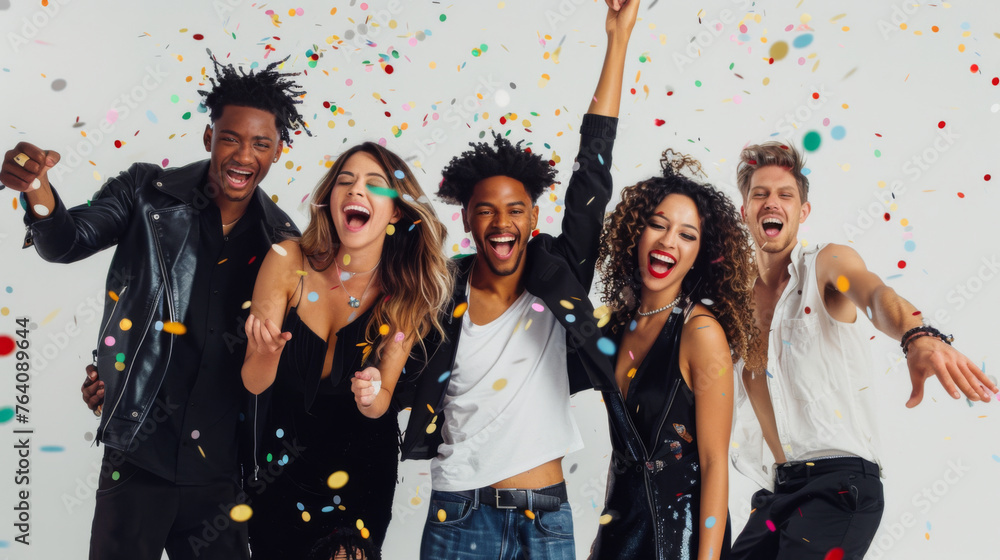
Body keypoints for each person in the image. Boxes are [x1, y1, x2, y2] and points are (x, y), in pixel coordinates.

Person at [351, 2, 637, 558]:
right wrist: (369, 393)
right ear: (467, 219)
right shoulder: (436, 290)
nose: (501, 222)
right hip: (460, 514)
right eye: (486, 210)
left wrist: (617, 40)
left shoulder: (558, 273)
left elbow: (592, 168)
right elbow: (383, 390)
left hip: (548, 513)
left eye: (515, 210)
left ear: (533, 218)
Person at [0, 55, 308, 560]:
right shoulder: (147, 192)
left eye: (261, 143)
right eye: (231, 137)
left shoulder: (284, 243)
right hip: (137, 458)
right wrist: (36, 190)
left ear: (279, 150)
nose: (243, 155)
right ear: (209, 137)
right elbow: (66, 241)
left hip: (222, 477)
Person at [728, 141, 998, 559]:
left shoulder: (826, 264)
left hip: (839, 485)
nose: (772, 203)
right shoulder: (734, 303)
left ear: (803, 212)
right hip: (777, 492)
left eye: (785, 195)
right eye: (759, 193)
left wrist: (916, 335)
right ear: (745, 210)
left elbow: (874, 294)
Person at [240, 142, 451, 558]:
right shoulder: (287, 260)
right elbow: (253, 380)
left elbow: (381, 402)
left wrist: (373, 391)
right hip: (278, 472)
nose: (356, 191)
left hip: (360, 478)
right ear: (330, 199)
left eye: (375, 185)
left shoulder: (404, 289)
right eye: (346, 181)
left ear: (396, 212)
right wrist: (265, 352)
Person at [589, 151, 760, 560]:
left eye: (687, 235)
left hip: (677, 541)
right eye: (657, 225)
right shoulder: (619, 324)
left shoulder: (701, 333)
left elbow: (715, 462)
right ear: (636, 232)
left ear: (702, 253)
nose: (668, 241)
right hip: (617, 534)